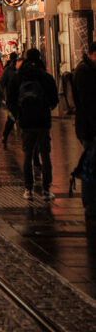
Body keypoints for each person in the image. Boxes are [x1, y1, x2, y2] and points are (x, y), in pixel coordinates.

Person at [8, 47, 59, 202]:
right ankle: (46, 189)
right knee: (45, 155)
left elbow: (10, 99)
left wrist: (18, 114)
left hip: (26, 121)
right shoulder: (46, 77)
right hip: (43, 122)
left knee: (27, 155)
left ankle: (28, 189)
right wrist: (46, 109)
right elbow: (54, 100)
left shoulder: (18, 77)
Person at [72, 41, 96, 226]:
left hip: (88, 127)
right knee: (90, 168)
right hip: (89, 129)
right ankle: (89, 206)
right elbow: (87, 104)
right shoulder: (84, 71)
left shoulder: (87, 68)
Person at [0, 52, 20, 146]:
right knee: (13, 117)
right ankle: (6, 135)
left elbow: (2, 83)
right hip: (15, 98)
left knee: (11, 118)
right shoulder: (16, 70)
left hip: (11, 98)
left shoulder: (7, 69)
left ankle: (5, 135)